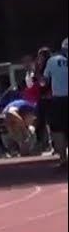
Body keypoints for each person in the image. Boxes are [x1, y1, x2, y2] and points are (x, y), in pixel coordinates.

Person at [44, 38, 68, 167]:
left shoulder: (53, 60)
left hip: (58, 99)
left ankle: (63, 159)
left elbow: (45, 80)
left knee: (58, 130)